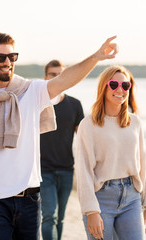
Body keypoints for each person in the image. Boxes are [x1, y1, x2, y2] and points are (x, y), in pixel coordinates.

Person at [0, 32, 118, 240]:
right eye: (0, 57)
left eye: (12, 57)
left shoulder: (30, 91)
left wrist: (95, 57)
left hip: (30, 199)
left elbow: (66, 79)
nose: (7, 62)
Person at [75, 65, 146, 240]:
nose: (120, 90)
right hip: (101, 198)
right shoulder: (88, 124)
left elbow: (142, 163)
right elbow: (83, 170)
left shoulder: (135, 122)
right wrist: (91, 210)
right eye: (114, 85)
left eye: (125, 86)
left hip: (132, 198)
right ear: (104, 87)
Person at [40, 60, 84, 240]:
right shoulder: (38, 103)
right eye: (53, 75)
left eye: (62, 75)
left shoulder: (75, 105)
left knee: (61, 219)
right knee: (50, 216)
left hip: (67, 169)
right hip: (43, 170)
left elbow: (83, 139)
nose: (58, 78)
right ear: (45, 77)